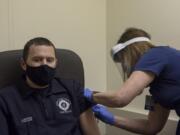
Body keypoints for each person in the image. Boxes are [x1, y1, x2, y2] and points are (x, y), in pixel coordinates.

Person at [84, 27, 180, 135]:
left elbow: (120, 98)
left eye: (124, 61)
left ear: (131, 51)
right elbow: (151, 127)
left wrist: (90, 96)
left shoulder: (155, 54)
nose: (126, 68)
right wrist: (111, 118)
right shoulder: (159, 90)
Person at [0, 37, 100, 135]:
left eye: (49, 60)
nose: (44, 65)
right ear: (23, 64)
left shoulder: (73, 88)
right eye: (37, 60)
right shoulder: (5, 99)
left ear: (56, 62)